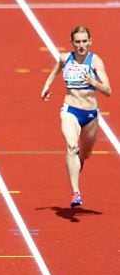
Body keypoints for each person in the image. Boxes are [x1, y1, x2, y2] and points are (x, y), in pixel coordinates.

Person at [41, 26, 111, 207]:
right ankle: (75, 192)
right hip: (70, 110)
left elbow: (108, 91)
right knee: (71, 145)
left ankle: (80, 161)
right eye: (78, 42)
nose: (81, 45)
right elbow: (56, 70)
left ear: (90, 41)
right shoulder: (66, 58)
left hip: (90, 114)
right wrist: (46, 86)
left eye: (84, 41)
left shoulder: (95, 62)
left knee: (86, 153)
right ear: (72, 43)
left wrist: (93, 82)